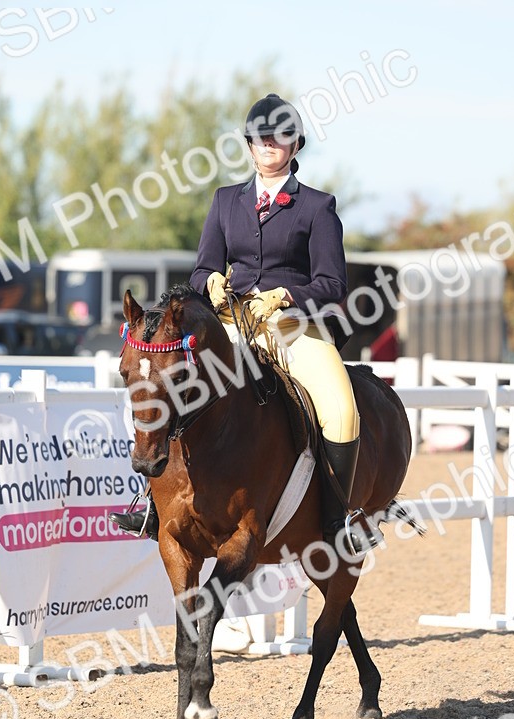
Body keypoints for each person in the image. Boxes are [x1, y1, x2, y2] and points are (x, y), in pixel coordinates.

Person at [111, 92, 364, 552]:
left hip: (290, 327)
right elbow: (203, 267)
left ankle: (336, 518)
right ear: (249, 146)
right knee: (172, 386)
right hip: (230, 324)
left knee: (342, 411)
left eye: (279, 137)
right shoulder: (227, 201)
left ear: (295, 145)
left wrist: (286, 295)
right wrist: (210, 285)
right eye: (260, 138)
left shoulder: (317, 207)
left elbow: (332, 283)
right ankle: (151, 503)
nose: (269, 144)